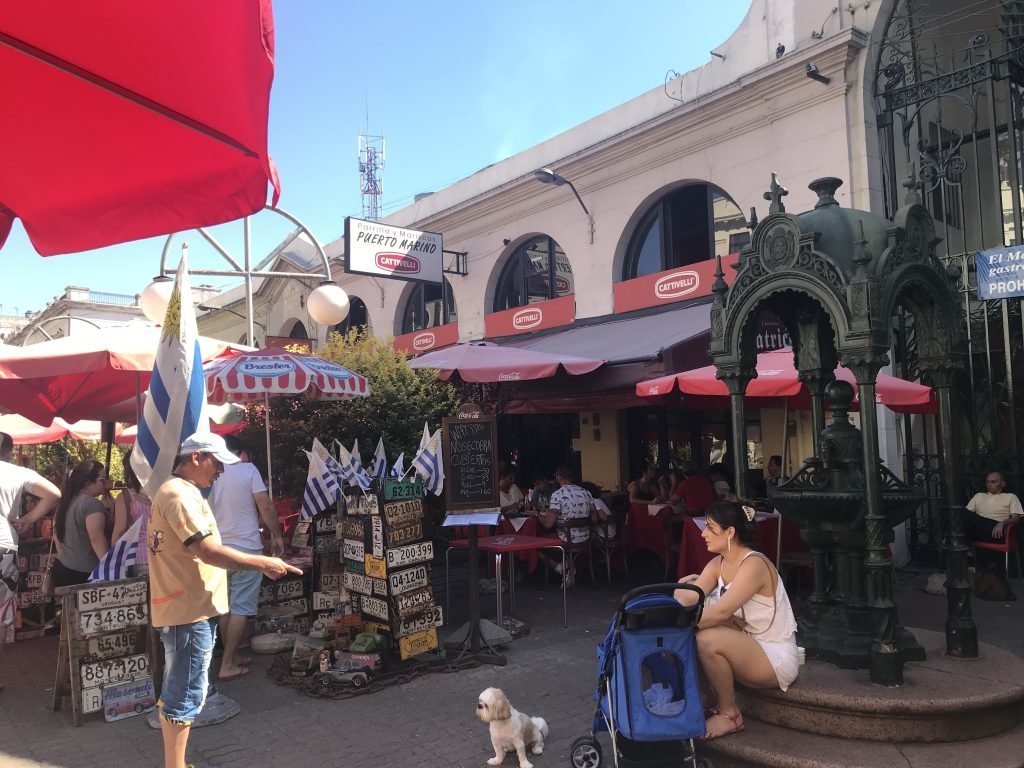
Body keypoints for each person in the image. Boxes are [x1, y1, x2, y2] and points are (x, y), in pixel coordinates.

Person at [149, 432, 301, 768]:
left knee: (183, 691)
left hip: (188, 608)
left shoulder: (183, 491)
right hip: (185, 610)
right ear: (197, 457)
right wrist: (265, 562)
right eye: (218, 463)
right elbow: (206, 551)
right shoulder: (178, 494)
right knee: (183, 695)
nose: (221, 471)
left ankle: (178, 763)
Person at [674, 500, 799, 740]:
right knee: (697, 632)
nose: (703, 534)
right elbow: (688, 598)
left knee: (706, 638)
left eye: (710, 528)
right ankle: (708, 703)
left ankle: (730, 714)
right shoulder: (717, 563)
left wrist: (680, 619)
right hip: (746, 647)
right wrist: (680, 590)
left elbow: (720, 612)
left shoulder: (754, 564)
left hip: (773, 657)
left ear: (730, 532)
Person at [207, 435, 284, 681]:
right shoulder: (247, 470)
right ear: (238, 452)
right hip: (247, 549)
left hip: (217, 549)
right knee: (241, 607)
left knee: (226, 605)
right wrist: (276, 534)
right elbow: (265, 506)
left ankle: (231, 656)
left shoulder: (209, 476)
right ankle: (228, 661)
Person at [0, 432, 61, 690]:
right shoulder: (15, 473)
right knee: (1, 614)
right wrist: (27, 519)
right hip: (3, 545)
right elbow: (54, 493)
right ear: (9, 451)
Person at [963, 471, 1022, 600]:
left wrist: (1003, 522)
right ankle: (965, 547)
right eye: (988, 482)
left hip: (997, 532)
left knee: (966, 514)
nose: (990, 485)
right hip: (979, 532)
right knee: (964, 513)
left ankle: (964, 549)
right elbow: (966, 517)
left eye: (994, 482)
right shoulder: (979, 496)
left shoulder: (1010, 497)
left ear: (1003, 484)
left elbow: (1016, 519)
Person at [52, 460, 110, 588]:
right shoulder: (92, 505)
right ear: (88, 482)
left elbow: (56, 535)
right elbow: (96, 539)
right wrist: (109, 570)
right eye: (102, 479)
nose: (105, 484)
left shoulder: (66, 502)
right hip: (85, 573)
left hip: (63, 567)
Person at [537, 465, 597, 587]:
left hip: (567, 539)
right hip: (586, 538)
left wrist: (536, 514)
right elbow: (595, 519)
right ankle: (568, 566)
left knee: (535, 545)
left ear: (559, 477)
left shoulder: (557, 495)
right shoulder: (586, 492)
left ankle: (560, 568)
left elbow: (548, 525)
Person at [111, 450, 151, 562]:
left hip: (138, 556)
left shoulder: (125, 497)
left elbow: (120, 530)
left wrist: (113, 558)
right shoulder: (161, 492)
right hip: (163, 556)